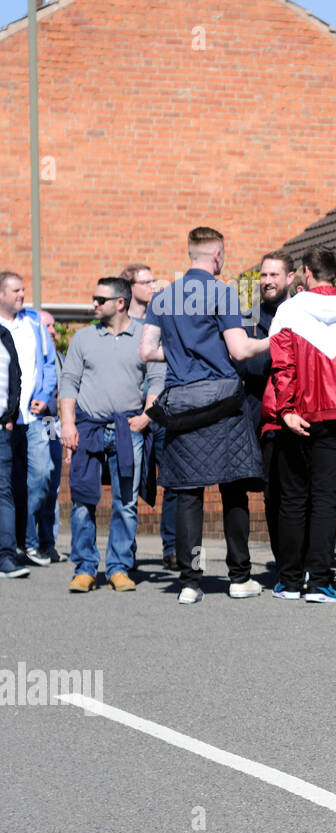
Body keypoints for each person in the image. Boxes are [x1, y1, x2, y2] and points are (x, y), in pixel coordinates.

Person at [139, 227, 269, 605]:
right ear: (217, 256)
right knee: (233, 490)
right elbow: (241, 350)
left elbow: (146, 351)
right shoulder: (222, 292)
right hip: (223, 403)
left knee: (188, 494)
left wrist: (181, 357)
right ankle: (240, 578)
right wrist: (275, 339)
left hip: (181, 405)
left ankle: (190, 583)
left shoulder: (162, 298)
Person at [262, 246, 336, 604]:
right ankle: (321, 581)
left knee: (293, 498)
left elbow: (282, 365)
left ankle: (290, 581)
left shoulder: (289, 311)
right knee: (326, 500)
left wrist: (286, 409)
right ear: (335, 273)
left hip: (300, 414)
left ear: (306, 273)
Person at [61, 277, 164, 592]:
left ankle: (119, 567)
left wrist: (146, 417)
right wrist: (67, 424)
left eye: (100, 299)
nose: (94, 304)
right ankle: (85, 568)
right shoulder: (83, 338)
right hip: (88, 428)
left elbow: (158, 380)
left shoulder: (145, 337)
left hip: (127, 430)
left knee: (125, 503)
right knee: (82, 500)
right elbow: (68, 382)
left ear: (120, 302)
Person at [0, 272, 56, 576]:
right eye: (16, 290)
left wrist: (45, 395)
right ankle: (21, 543)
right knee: (7, 484)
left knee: (43, 473)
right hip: (5, 418)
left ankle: (29, 538)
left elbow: (48, 365)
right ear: (1, 294)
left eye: (23, 289)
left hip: (35, 416)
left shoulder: (33, 322)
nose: (22, 294)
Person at [243, 250, 296, 566]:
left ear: (290, 277)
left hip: (294, 414)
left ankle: (300, 559)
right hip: (257, 417)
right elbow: (248, 363)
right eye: (263, 275)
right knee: (272, 493)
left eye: (274, 275)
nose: (267, 281)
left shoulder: (302, 312)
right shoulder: (249, 316)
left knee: (296, 491)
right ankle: (283, 560)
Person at [123, 263, 178, 569]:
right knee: (128, 484)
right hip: (133, 412)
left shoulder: (163, 320)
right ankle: (126, 550)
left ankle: (171, 547)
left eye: (154, 281)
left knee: (171, 480)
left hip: (163, 411)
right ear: (129, 287)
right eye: (145, 282)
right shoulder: (124, 326)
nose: (152, 286)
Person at [0, 303, 24, 578]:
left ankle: (6, 557)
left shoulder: (4, 336)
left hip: (1, 429)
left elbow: (15, 377)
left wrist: (10, 414)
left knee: (3, 492)